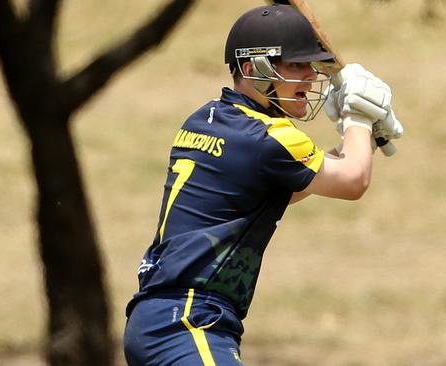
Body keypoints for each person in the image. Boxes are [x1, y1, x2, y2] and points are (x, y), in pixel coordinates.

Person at [123, 4, 403, 366]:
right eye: (295, 65)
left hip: (157, 319)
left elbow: (282, 187)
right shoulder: (271, 136)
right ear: (252, 68)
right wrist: (359, 118)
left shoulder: (207, 120)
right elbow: (353, 181)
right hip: (190, 323)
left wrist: (362, 144)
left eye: (311, 65)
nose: (310, 75)